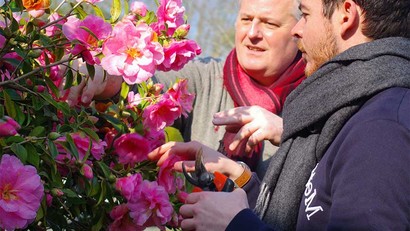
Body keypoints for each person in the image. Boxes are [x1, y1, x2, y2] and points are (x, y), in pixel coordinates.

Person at [148, 0, 410, 230]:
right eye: (246, 19)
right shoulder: (349, 109)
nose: (298, 30)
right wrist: (242, 182)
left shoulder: (380, 129)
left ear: (346, 15)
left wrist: (236, 225)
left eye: (305, 14)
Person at [66, 0, 306, 176]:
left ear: (299, 31)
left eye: (269, 24)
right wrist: (106, 78)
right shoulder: (204, 75)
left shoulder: (316, 96)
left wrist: (288, 133)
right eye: (246, 20)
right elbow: (148, 89)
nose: (252, 33)